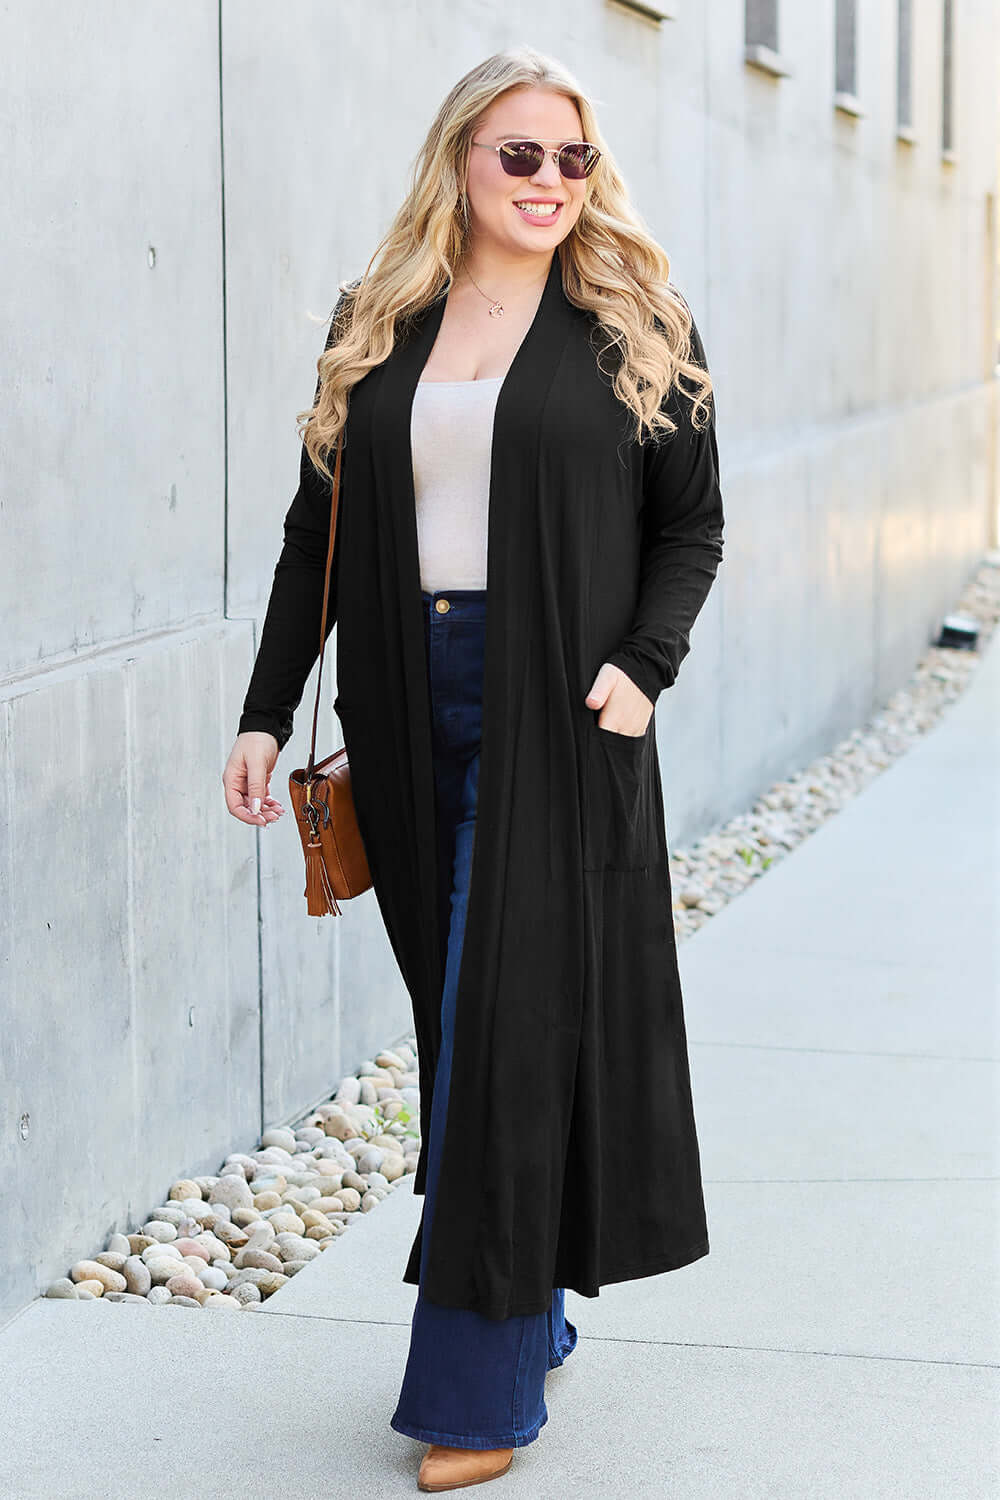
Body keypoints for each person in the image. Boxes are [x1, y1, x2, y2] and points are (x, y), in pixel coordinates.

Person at [222, 45, 725, 1494]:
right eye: (521, 156)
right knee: (471, 1028)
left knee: (508, 1024)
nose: (552, 183)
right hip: (403, 695)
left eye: (573, 158)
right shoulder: (379, 323)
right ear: (460, 161)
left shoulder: (639, 323)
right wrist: (265, 713)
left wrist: (644, 667)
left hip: (563, 708)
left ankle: (478, 1389)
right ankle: (535, 1284)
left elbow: (691, 527)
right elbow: (311, 541)